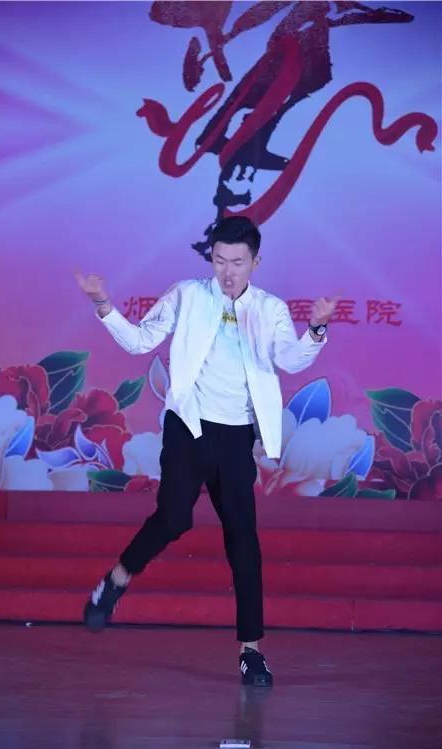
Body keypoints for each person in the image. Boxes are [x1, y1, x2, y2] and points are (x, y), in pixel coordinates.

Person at [75, 216, 336, 687]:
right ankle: (114, 582)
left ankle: (251, 652)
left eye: (237, 262)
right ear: (210, 259)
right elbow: (140, 341)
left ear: (256, 262)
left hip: (235, 436)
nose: (227, 272)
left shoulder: (270, 309)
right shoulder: (187, 295)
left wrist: (315, 329)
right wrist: (103, 304)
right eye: (219, 261)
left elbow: (289, 358)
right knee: (174, 518)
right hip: (188, 426)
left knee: (243, 539)